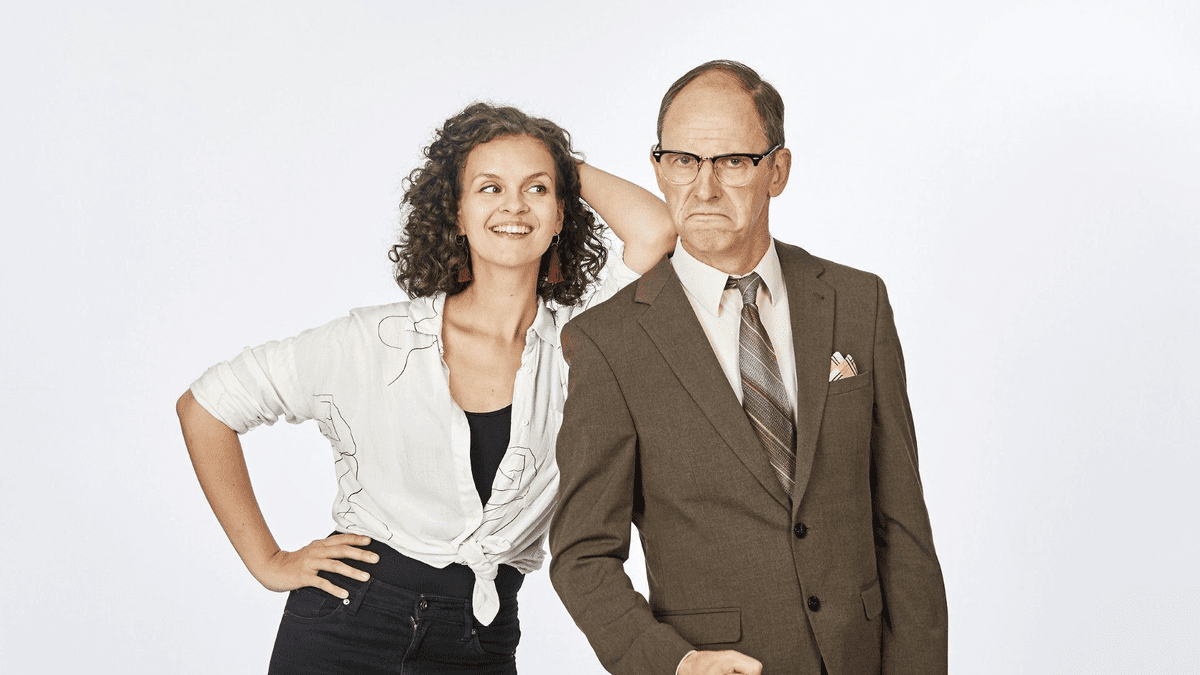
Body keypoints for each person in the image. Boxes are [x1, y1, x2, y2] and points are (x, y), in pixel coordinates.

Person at [176, 102, 675, 674]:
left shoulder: (583, 341)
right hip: (347, 623)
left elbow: (655, 229)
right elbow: (206, 407)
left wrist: (556, 161)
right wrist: (268, 561)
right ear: (456, 214)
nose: (514, 205)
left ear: (561, 214)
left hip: (479, 640)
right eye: (489, 188)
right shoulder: (374, 342)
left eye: (536, 190)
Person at [549, 61, 948, 675]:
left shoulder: (856, 302)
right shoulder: (609, 343)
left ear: (778, 170)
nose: (704, 188)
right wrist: (674, 663)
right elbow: (582, 555)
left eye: (733, 161)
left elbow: (902, 524)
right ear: (658, 168)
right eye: (683, 161)